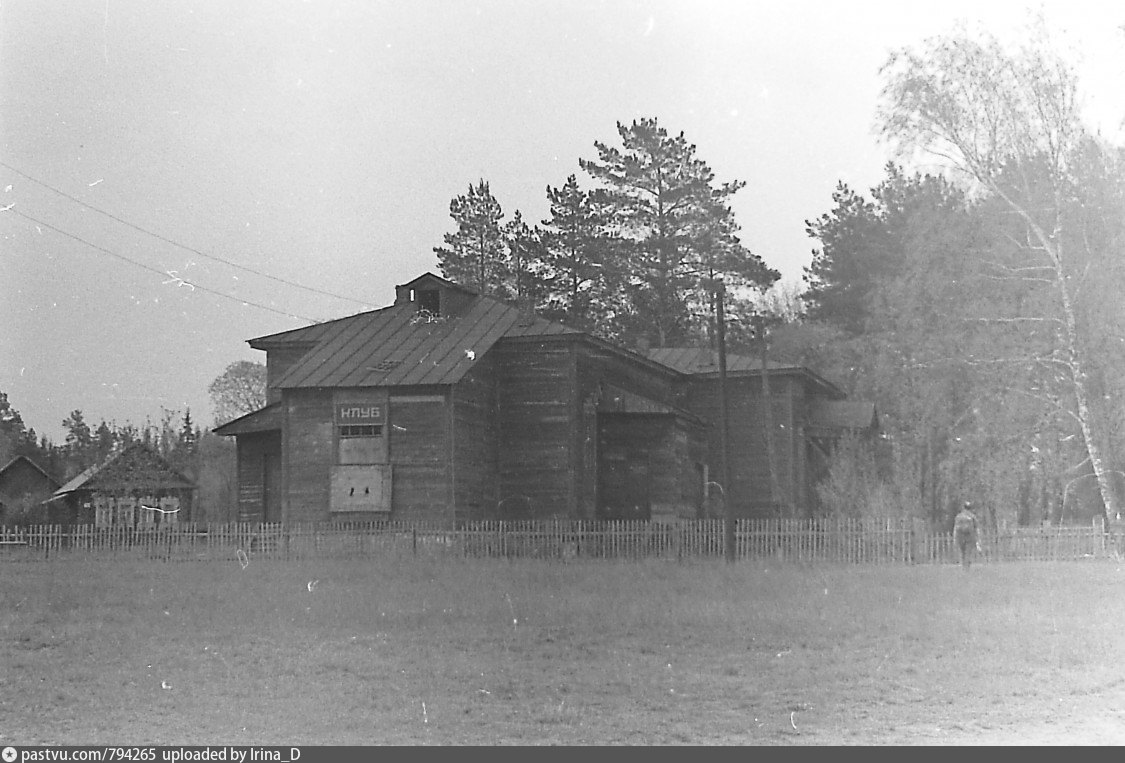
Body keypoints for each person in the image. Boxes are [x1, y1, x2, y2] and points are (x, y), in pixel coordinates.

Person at [953, 501, 980, 568]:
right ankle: (967, 567)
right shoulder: (972, 516)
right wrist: (978, 539)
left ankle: (963, 566)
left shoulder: (959, 516)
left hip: (960, 537)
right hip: (970, 537)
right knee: (968, 553)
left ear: (963, 507)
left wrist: (955, 538)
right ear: (970, 508)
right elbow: (976, 528)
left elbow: (955, 528)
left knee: (962, 552)